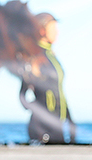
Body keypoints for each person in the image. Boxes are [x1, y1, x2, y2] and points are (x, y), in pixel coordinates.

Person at [21, 13, 75, 144]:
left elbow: (59, 93)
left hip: (58, 126)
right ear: (42, 30)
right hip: (42, 128)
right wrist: (37, 109)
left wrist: (70, 120)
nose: (57, 32)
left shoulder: (51, 56)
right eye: (54, 29)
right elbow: (23, 95)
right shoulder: (35, 57)